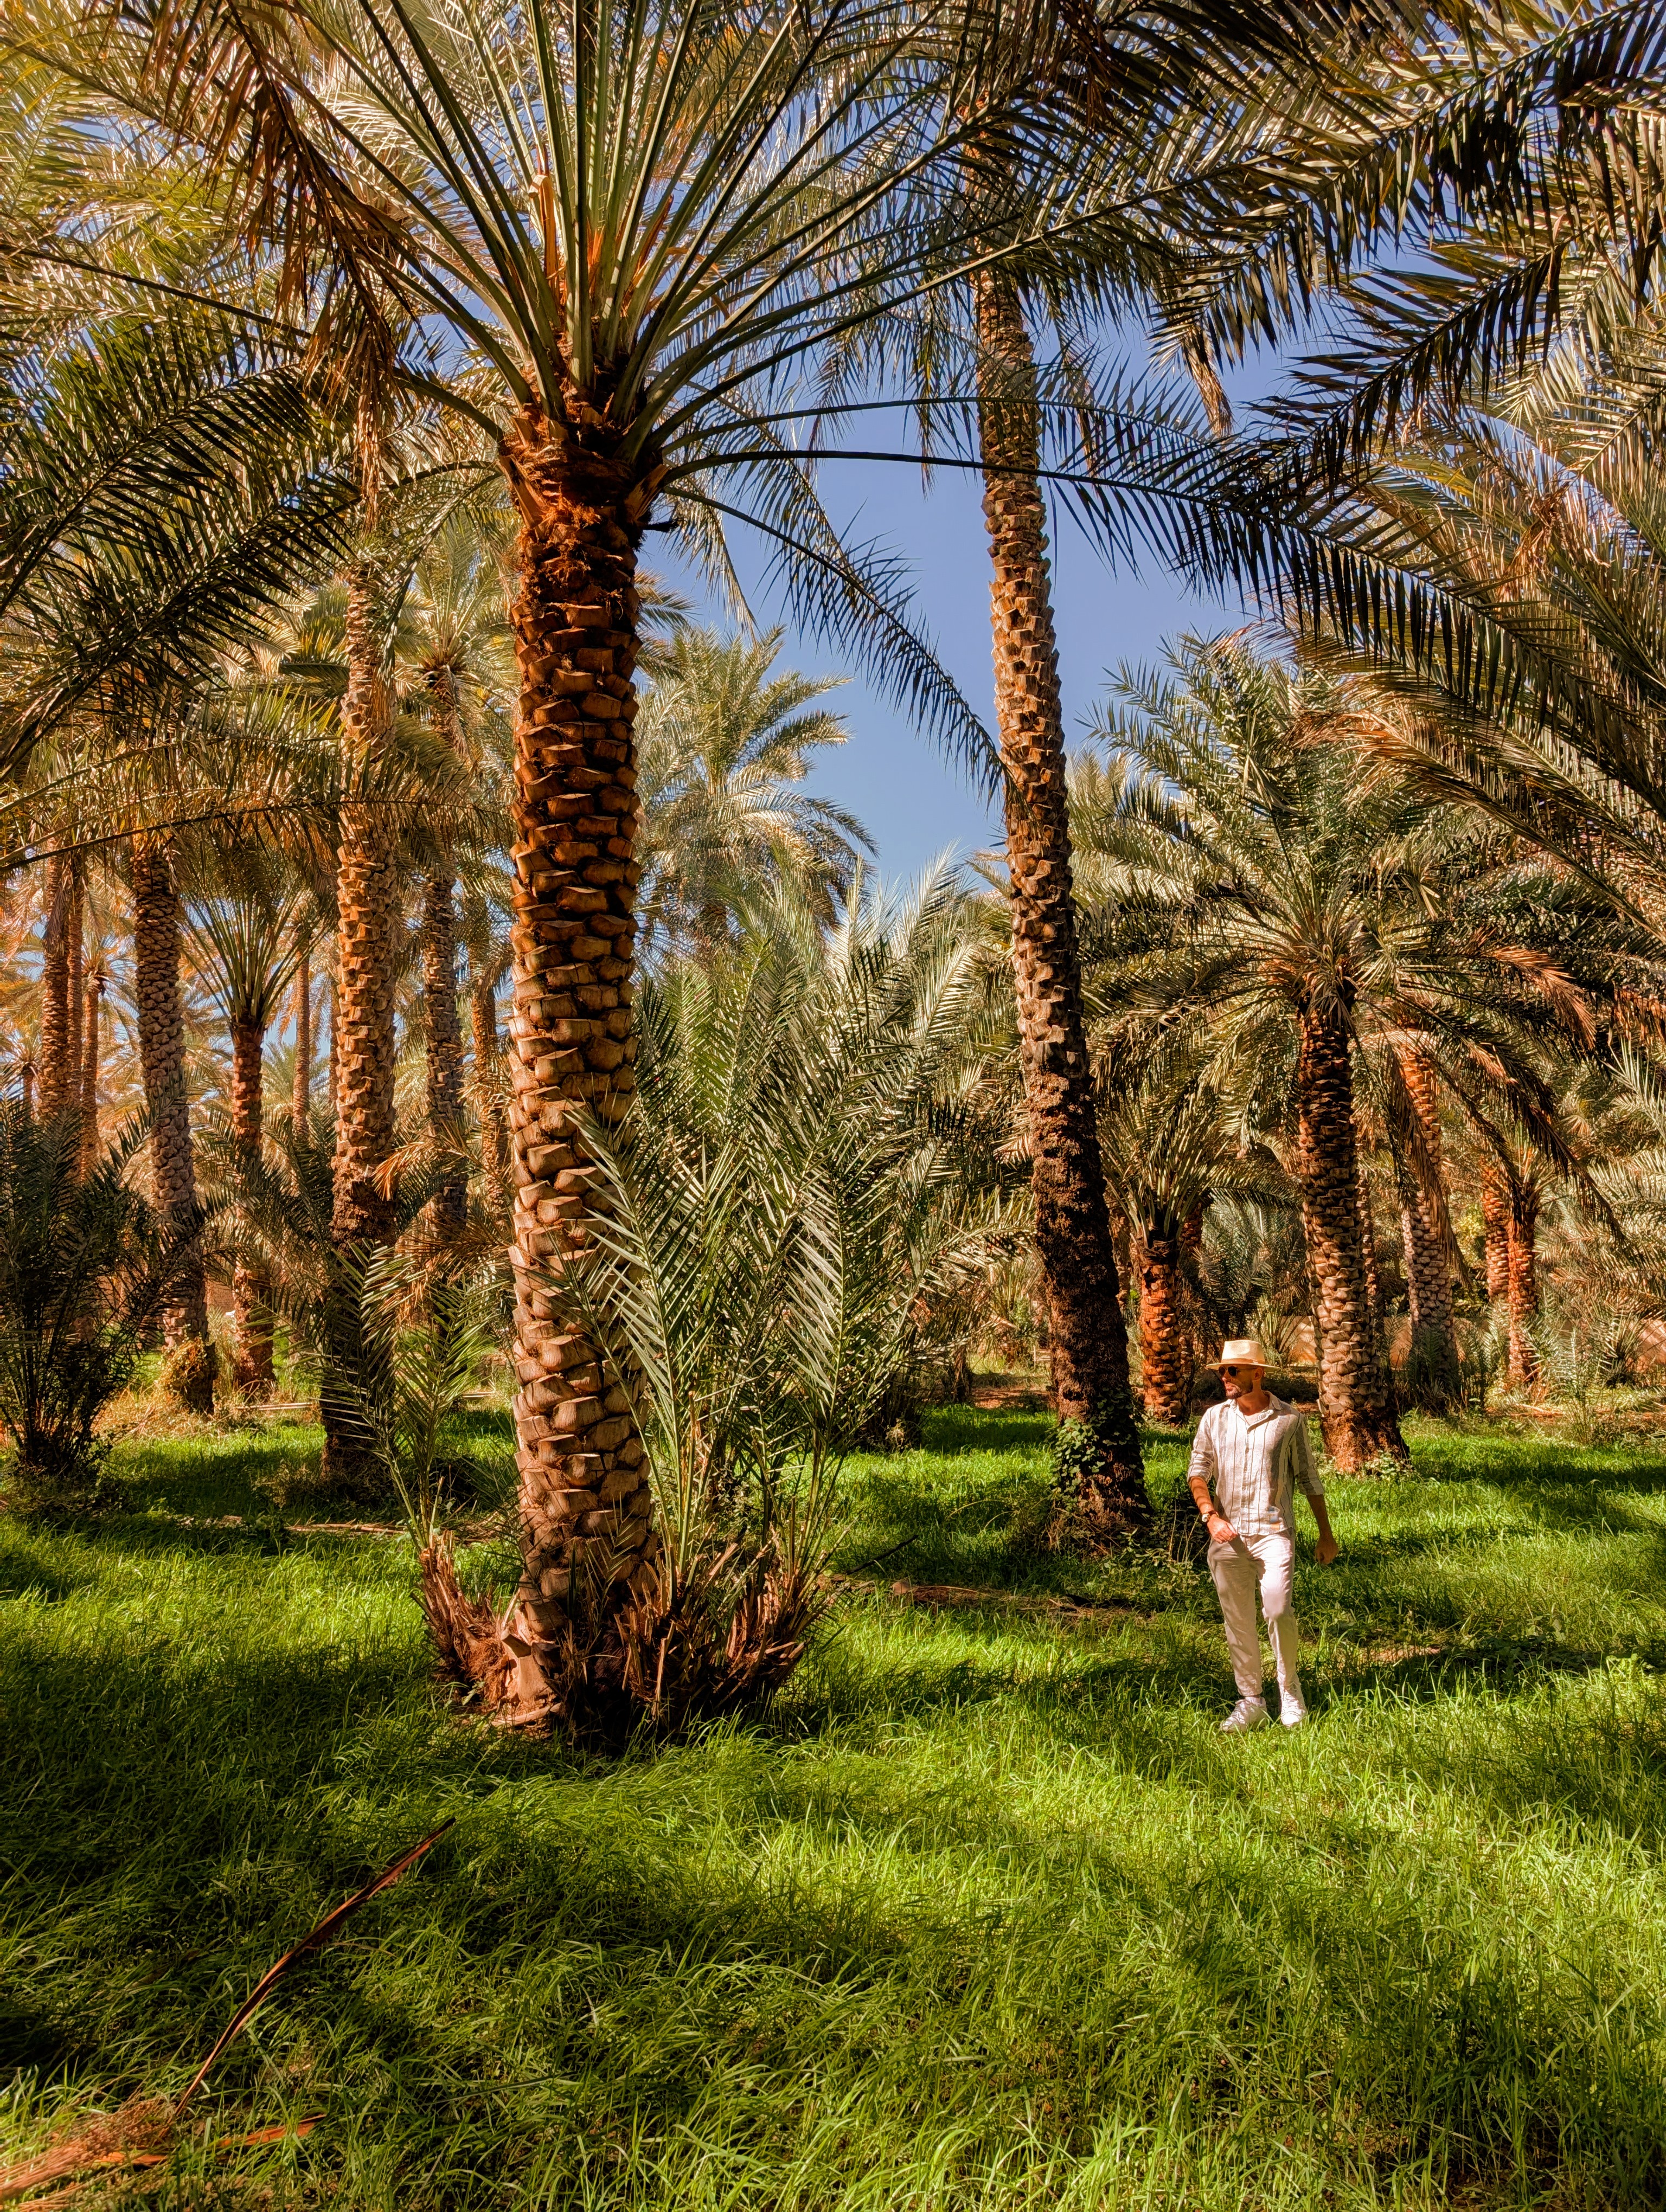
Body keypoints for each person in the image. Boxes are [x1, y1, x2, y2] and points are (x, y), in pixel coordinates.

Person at [1187, 1337, 1339, 1733]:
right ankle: (1251, 1700)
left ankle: (1290, 1693)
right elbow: (1198, 1472)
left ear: (1258, 1373)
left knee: (1278, 1610)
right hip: (1226, 1537)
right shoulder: (1214, 1419)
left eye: (1233, 1370)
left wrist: (1326, 1535)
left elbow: (1308, 1478)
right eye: (1222, 1371)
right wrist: (1210, 1516)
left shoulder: (1289, 1419)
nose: (1225, 1377)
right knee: (1237, 1620)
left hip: (1274, 1534)